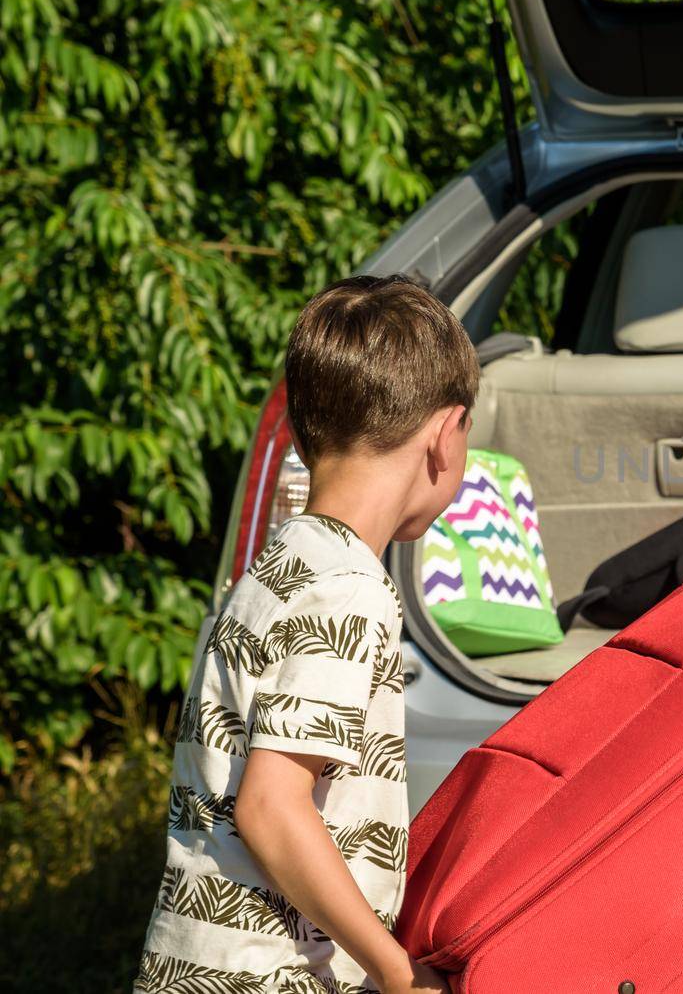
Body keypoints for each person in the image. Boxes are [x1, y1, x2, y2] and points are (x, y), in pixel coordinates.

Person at [136, 275, 478, 994]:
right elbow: (271, 805)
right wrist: (395, 972)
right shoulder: (348, 589)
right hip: (271, 978)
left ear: (296, 431)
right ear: (445, 440)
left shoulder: (279, 563)